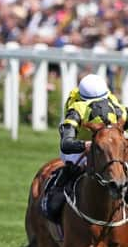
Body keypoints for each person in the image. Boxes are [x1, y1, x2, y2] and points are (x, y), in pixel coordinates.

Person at [43, 73, 128, 222]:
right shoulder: (75, 110)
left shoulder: (115, 106)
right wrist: (86, 145)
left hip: (109, 147)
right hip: (79, 149)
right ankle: (57, 194)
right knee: (72, 175)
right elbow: (66, 144)